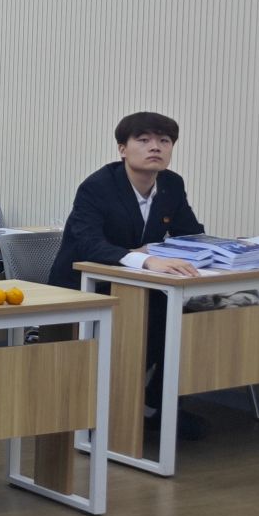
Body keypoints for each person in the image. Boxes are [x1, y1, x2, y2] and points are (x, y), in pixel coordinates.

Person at [50, 113, 206, 430]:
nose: (155, 147)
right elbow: (89, 244)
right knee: (154, 318)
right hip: (84, 285)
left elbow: (190, 234)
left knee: (187, 319)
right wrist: (144, 259)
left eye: (164, 141)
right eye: (144, 140)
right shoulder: (98, 187)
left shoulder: (171, 184)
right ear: (122, 149)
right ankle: (112, 413)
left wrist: (225, 253)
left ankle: (155, 405)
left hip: (139, 286)